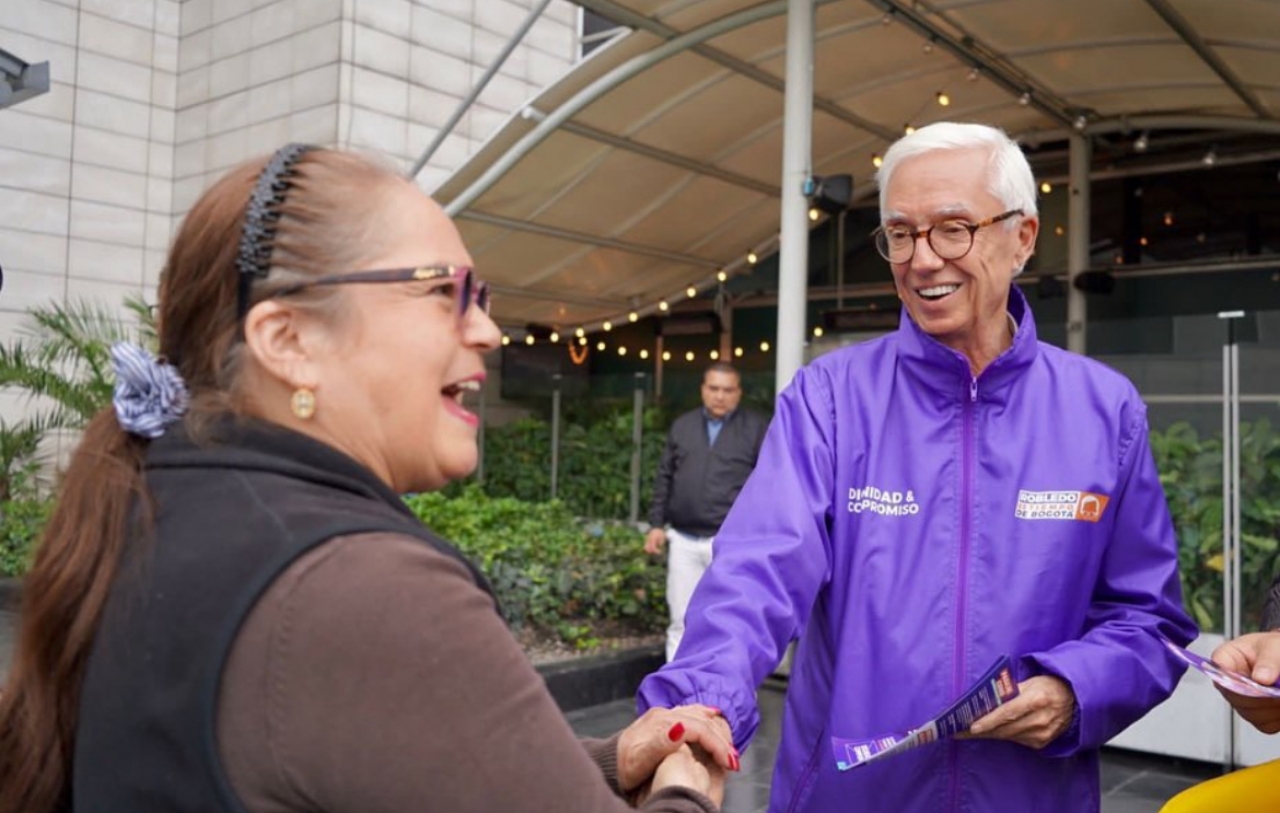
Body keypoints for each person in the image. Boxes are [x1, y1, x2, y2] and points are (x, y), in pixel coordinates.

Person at [0, 145, 737, 813]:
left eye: (481, 298)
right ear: (288, 340)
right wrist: (683, 790)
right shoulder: (364, 585)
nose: (487, 331)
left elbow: (359, 753)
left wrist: (609, 761)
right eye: (442, 291)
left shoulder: (167, 502)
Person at [637, 122, 1198, 813]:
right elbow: (755, 571)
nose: (923, 258)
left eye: (952, 228)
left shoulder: (1104, 412)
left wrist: (1077, 687)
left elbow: (1151, 620)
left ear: (1022, 237)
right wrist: (700, 706)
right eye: (901, 234)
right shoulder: (832, 399)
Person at [644, 362, 767, 661]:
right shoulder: (682, 426)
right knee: (680, 621)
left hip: (729, 544)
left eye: (727, 390)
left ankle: (725, 699)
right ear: (703, 390)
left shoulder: (757, 429)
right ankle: (676, 698)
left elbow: (768, 486)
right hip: (683, 541)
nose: (720, 396)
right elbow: (665, 477)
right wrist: (656, 524)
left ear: (739, 393)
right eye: (714, 388)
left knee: (731, 625)